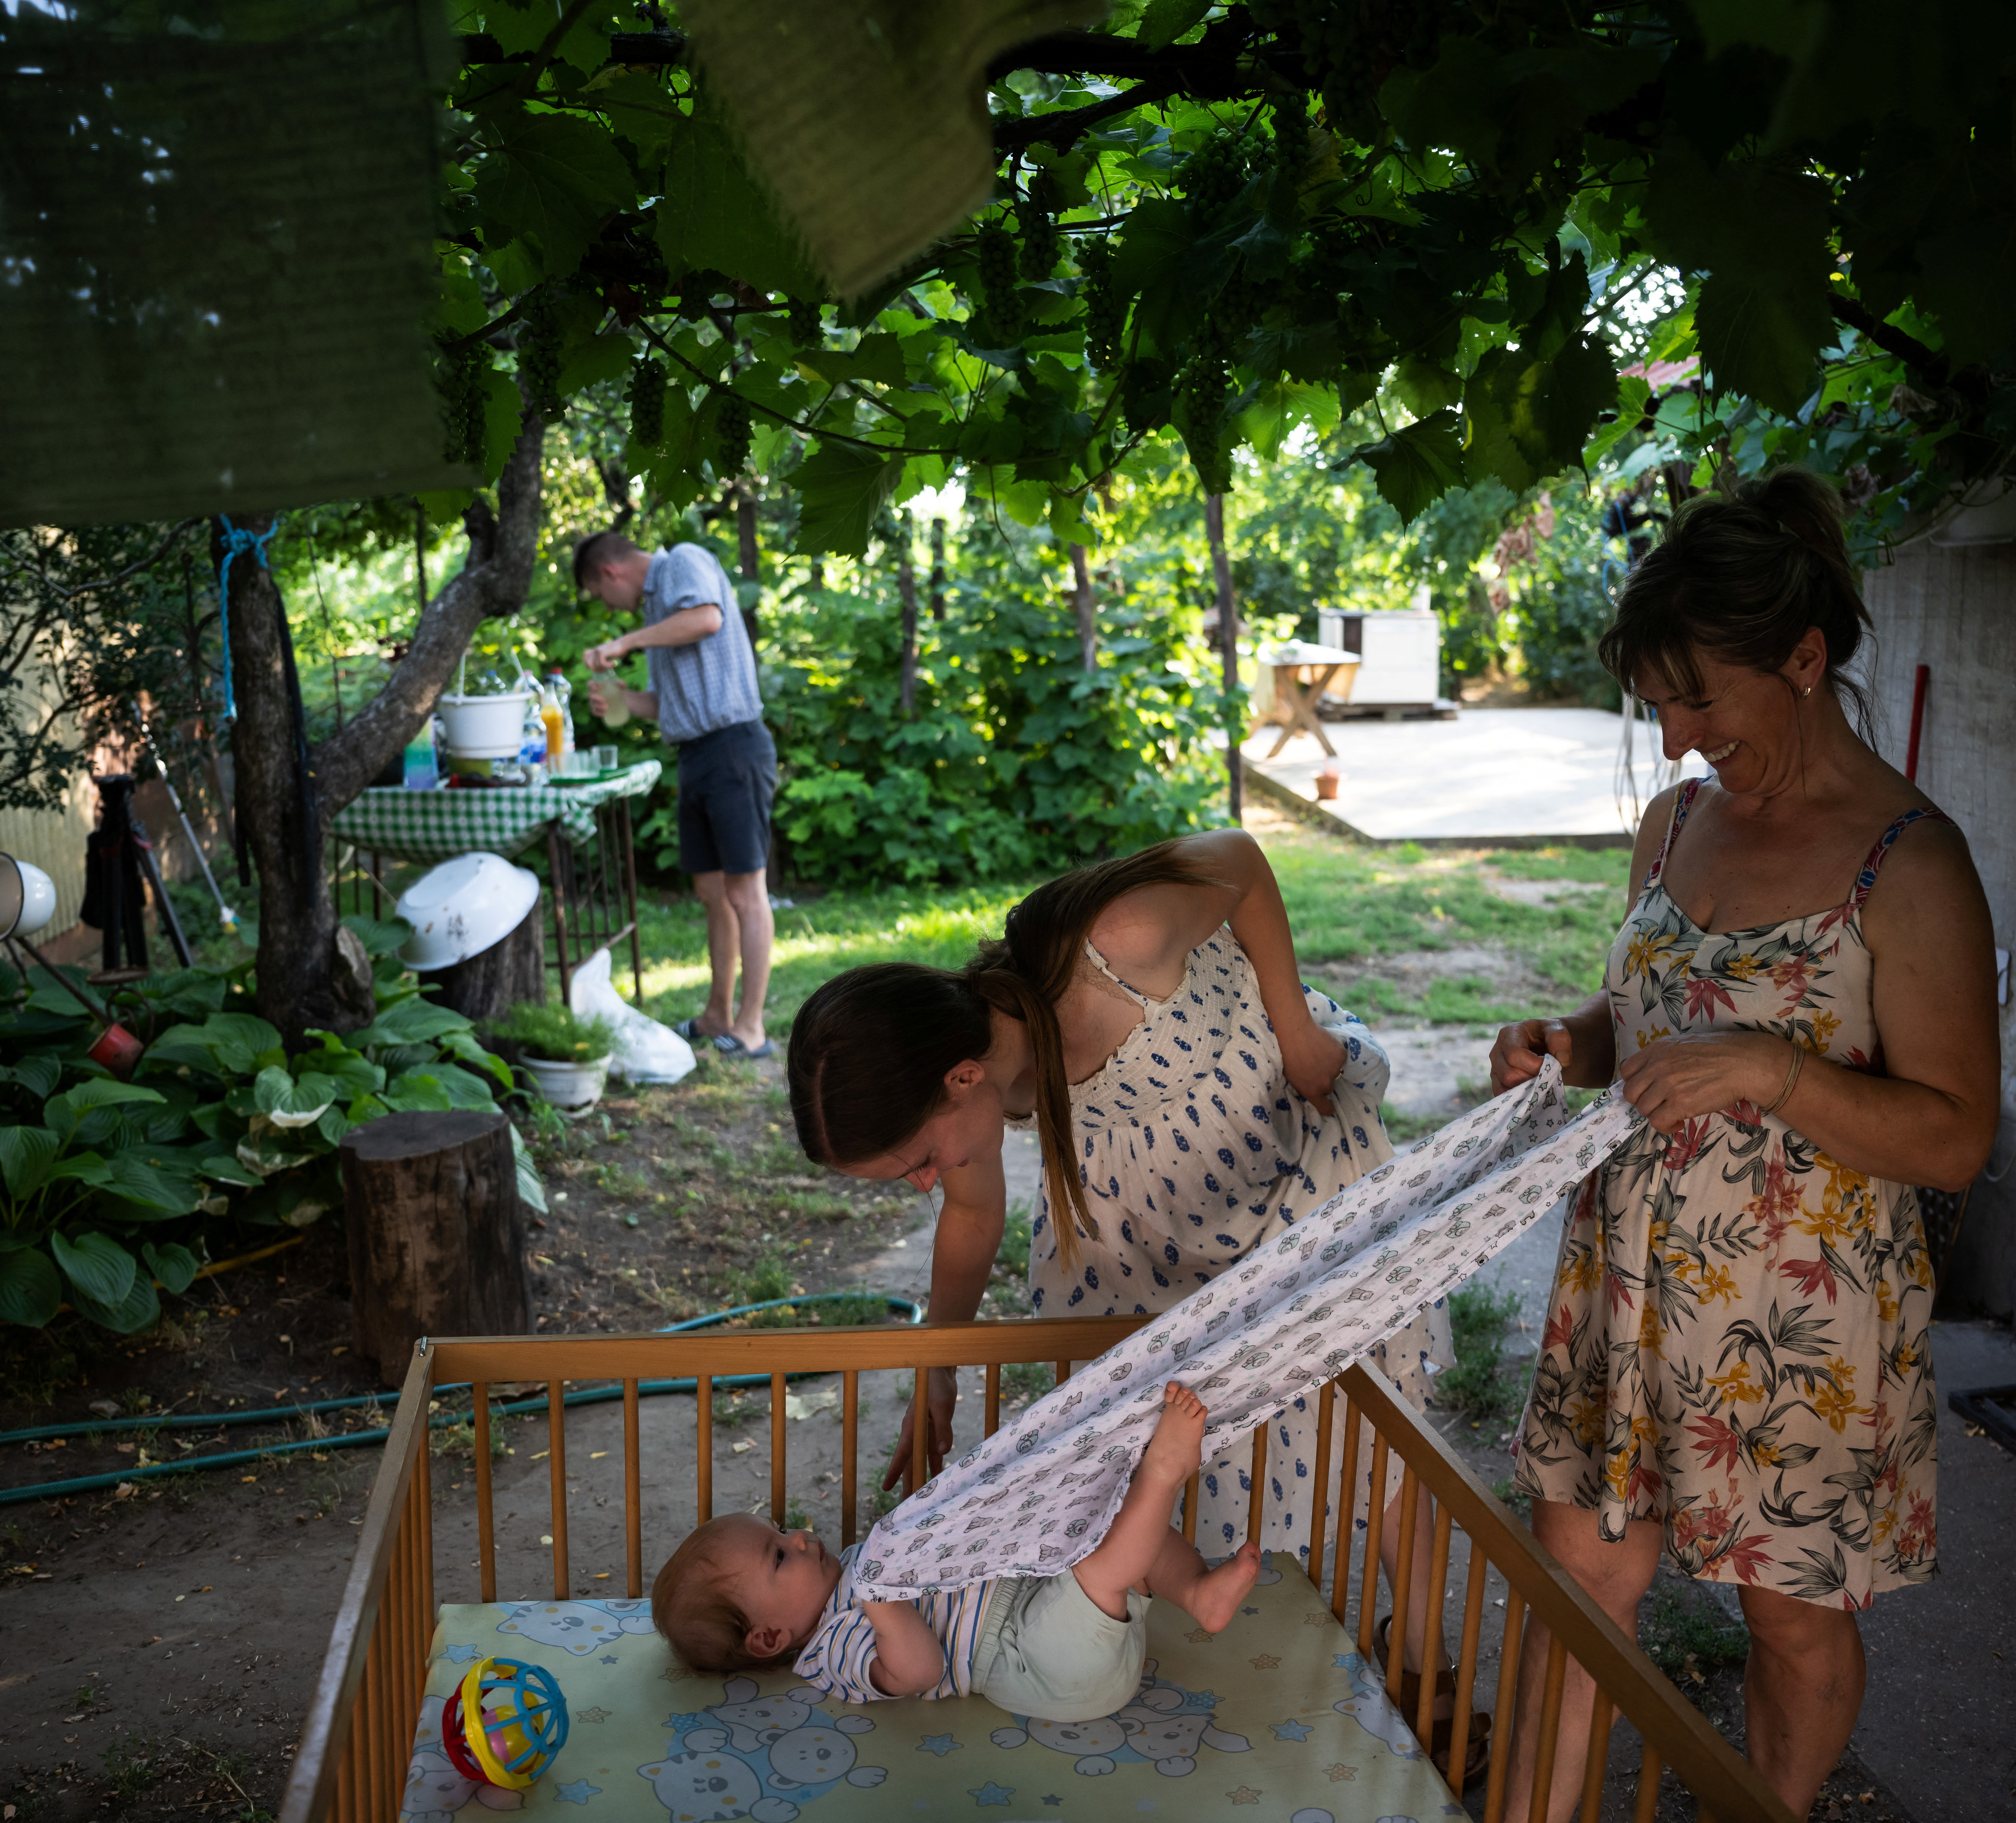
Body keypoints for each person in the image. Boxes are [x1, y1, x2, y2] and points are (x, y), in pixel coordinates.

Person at [1485, 467, 1999, 1820]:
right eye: (1657, 704)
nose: (1672, 739)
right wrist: (1570, 1039)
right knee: (1579, 1584)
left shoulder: (1912, 862)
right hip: (1629, 1279)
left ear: (1806, 658)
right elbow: (1646, 1008)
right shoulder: (1676, 823)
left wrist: (1772, 1069)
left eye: (1697, 699)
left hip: (1801, 1327)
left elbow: (1953, 1138)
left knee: (1787, 1620)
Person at [784, 829, 1448, 1576]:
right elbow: (972, 1216)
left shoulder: (1119, 942)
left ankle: (1426, 1664)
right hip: (1147, 1215)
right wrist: (936, 1366)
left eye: (922, 1162)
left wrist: (1295, 1027)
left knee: (1352, 1399)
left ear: (962, 1078)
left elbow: (1243, 863)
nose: (928, 1184)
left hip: (1285, 1148)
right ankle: (1194, 1618)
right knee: (1143, 1426)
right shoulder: (986, 1083)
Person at [651, 1380, 1264, 1717]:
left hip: (1033, 1601)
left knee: (1110, 1532)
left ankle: (1198, 1593)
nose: (802, 1537)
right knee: (1101, 1572)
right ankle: (1163, 1470)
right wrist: (881, 1600)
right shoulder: (831, 1649)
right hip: (1034, 1664)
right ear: (768, 1638)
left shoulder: (857, 1577)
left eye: (782, 1530)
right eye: (779, 1556)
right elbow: (920, 1671)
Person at [574, 530, 776, 1058]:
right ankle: (717, 1014)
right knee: (712, 892)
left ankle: (752, 1027)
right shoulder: (655, 616)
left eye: (600, 594)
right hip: (695, 755)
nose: (608, 605)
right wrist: (623, 702)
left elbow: (708, 618)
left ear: (609, 573)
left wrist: (626, 644)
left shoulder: (683, 564)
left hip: (734, 746)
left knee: (745, 893)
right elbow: (671, 703)